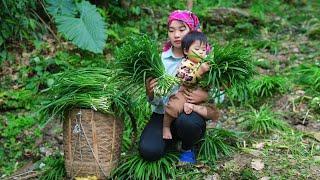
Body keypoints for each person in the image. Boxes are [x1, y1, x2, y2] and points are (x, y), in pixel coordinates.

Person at [139, 10, 220, 164]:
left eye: (182, 30)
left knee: (187, 123)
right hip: (164, 114)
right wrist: (150, 93)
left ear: (192, 31)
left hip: (189, 114)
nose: (176, 35)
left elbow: (220, 92)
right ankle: (171, 137)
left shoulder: (205, 60)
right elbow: (156, 101)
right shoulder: (160, 60)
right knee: (149, 151)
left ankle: (187, 147)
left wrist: (206, 96)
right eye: (171, 30)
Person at [162, 31, 218, 140]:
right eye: (197, 49)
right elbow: (185, 79)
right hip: (185, 93)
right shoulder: (186, 63)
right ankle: (166, 126)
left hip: (201, 96)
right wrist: (199, 72)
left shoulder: (207, 63)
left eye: (203, 49)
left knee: (212, 112)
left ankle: (194, 109)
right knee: (174, 107)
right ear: (186, 51)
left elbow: (214, 82)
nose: (201, 52)